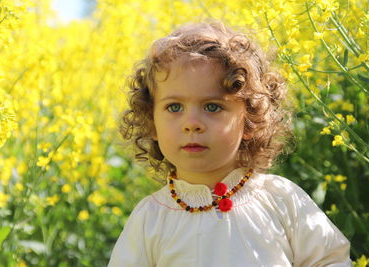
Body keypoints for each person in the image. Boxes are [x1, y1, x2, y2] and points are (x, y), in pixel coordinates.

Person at [108, 20, 351, 266]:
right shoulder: (151, 219)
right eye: (174, 107)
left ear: (250, 119)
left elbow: (331, 260)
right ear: (152, 123)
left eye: (212, 107)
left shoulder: (280, 199)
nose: (191, 123)